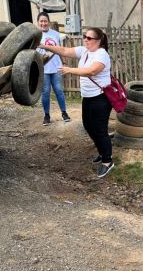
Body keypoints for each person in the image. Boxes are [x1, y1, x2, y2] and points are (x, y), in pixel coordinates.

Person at [43, 27, 114, 178]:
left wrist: (70, 70)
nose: (85, 40)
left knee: (100, 130)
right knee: (88, 125)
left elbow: (92, 71)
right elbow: (64, 50)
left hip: (100, 98)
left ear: (98, 41)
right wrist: (44, 46)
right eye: (84, 36)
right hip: (88, 97)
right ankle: (102, 152)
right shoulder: (85, 51)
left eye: (89, 38)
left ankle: (108, 161)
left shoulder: (102, 54)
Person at [36, 12, 71, 125]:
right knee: (45, 93)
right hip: (43, 69)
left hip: (56, 67)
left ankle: (64, 113)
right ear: (38, 22)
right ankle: (46, 115)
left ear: (49, 22)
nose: (43, 23)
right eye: (41, 21)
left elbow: (60, 50)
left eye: (45, 21)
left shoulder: (56, 34)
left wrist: (64, 62)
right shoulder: (35, 35)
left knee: (59, 91)